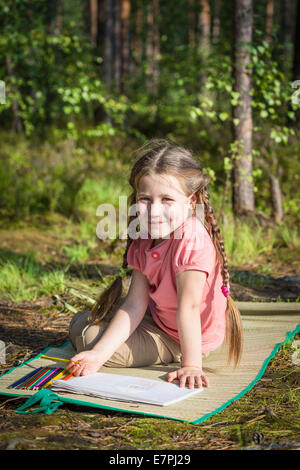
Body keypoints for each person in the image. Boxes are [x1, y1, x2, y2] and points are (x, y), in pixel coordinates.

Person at [66, 138, 243, 389]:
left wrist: (191, 366)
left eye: (167, 199)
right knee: (93, 335)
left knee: (88, 336)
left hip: (182, 338)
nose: (154, 210)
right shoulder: (145, 234)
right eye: (145, 198)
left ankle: (170, 351)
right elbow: (136, 302)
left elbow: (190, 309)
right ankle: (100, 334)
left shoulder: (191, 241)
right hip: (160, 317)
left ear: (191, 201)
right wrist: (98, 356)